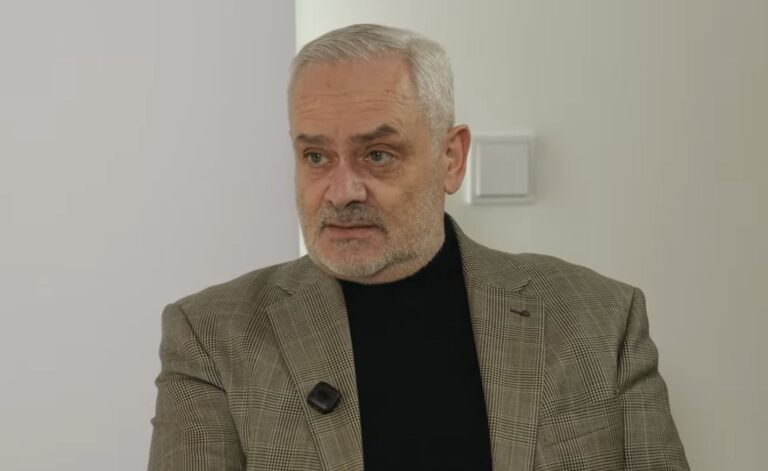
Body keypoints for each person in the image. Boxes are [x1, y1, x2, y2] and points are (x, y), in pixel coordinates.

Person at [148, 24, 689, 471]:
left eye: (377, 155)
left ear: (451, 158)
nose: (341, 191)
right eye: (316, 157)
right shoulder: (212, 336)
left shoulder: (600, 319)